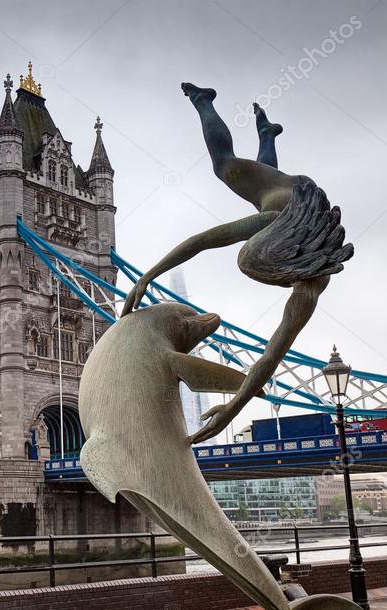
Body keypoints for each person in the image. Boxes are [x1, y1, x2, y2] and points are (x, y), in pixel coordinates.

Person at [122, 83, 353, 444]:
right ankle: (204, 100)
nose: (279, 286)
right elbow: (202, 242)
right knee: (224, 165)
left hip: (301, 203)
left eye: (276, 281)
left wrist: (234, 407)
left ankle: (264, 133)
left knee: (253, 175)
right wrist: (147, 277)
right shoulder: (276, 221)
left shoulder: (309, 284)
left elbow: (268, 358)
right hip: (292, 203)